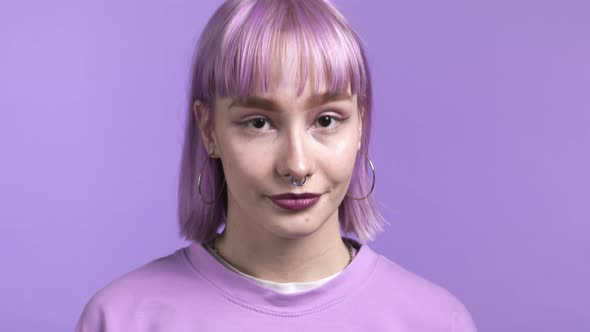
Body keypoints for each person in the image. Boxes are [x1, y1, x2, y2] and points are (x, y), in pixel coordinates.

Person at [75, 0, 478, 330]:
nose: (296, 166)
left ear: (361, 125)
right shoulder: (120, 318)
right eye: (259, 122)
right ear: (209, 129)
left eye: (325, 120)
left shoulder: (437, 321)